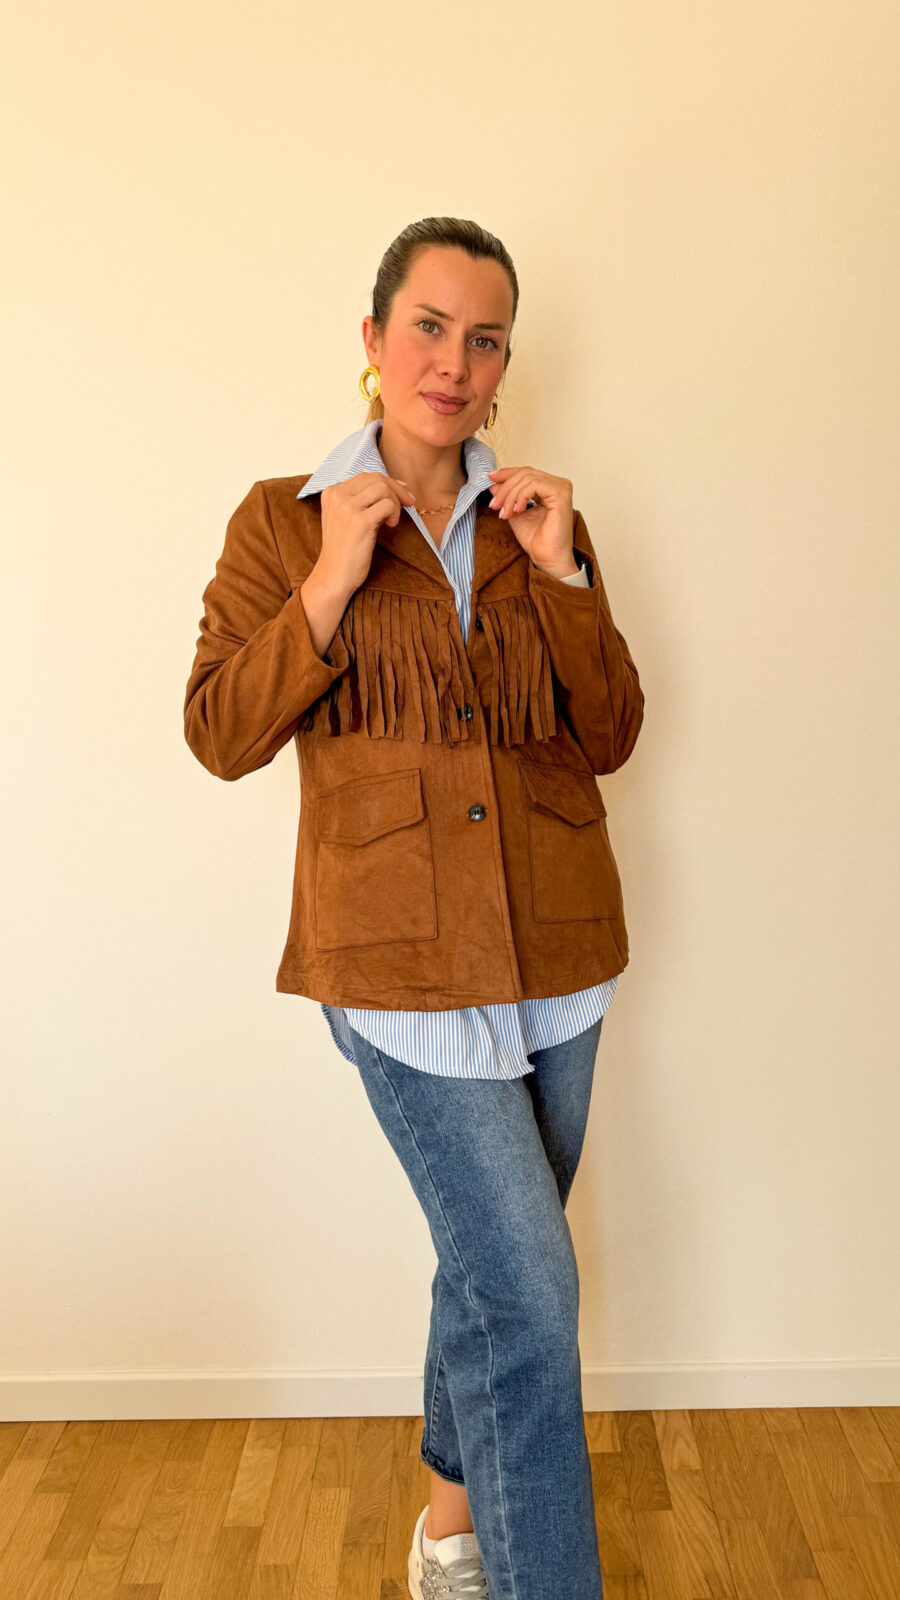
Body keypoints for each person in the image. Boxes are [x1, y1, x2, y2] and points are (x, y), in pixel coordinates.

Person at [184, 215, 644, 1600]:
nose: (455, 361)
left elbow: (613, 732)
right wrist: (330, 580)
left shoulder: (540, 519)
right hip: (394, 972)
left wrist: (561, 575)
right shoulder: (283, 519)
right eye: (430, 327)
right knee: (531, 1295)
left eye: (484, 338)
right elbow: (219, 732)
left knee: (491, 1273)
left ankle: (450, 1530)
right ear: (375, 342)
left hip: (557, 954)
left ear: (504, 366)